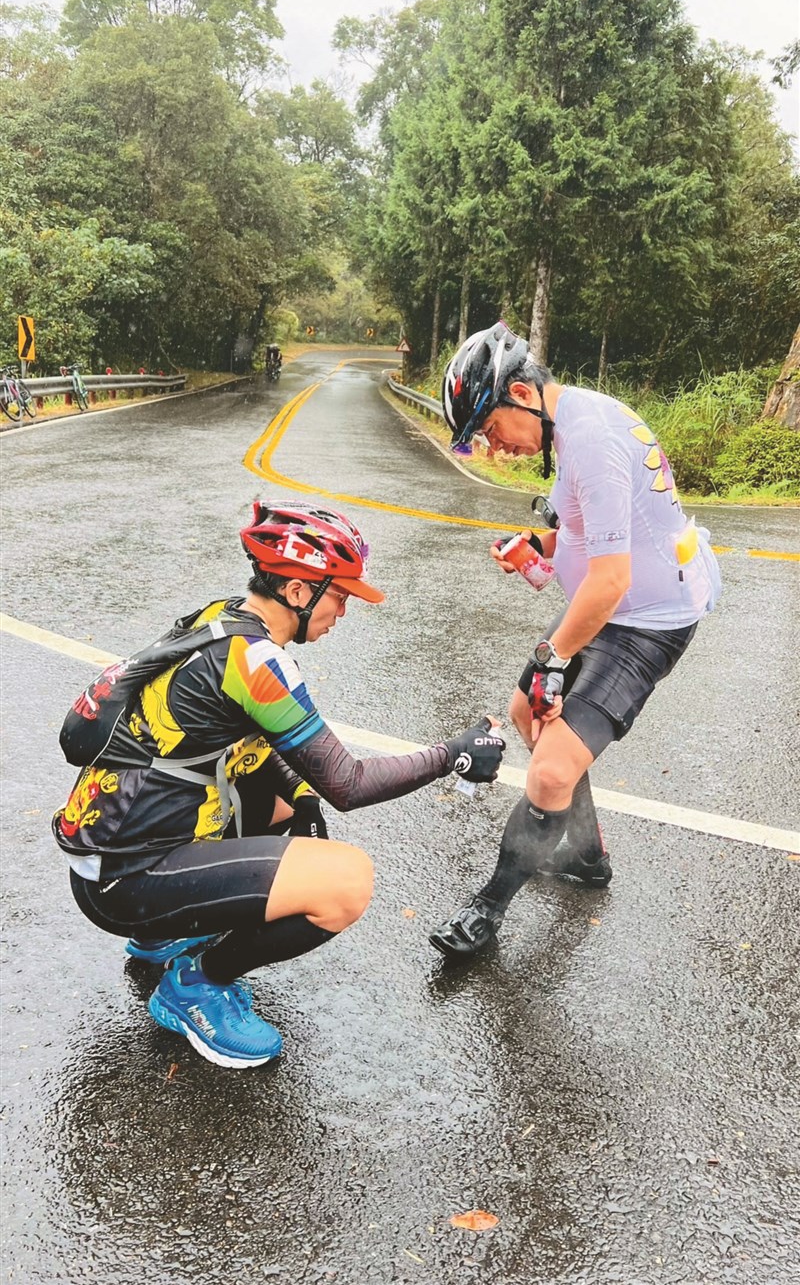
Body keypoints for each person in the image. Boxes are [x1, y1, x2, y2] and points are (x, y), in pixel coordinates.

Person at [54, 501, 505, 1066]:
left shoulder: (221, 619)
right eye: (340, 595)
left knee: (286, 805)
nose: (344, 611)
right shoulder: (259, 662)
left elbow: (256, 744)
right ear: (297, 591)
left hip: (112, 847)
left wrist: (301, 797)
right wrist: (452, 755)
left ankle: (160, 935)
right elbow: (350, 784)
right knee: (346, 883)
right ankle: (195, 985)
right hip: (125, 882)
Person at [430, 322, 721, 957]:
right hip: (613, 602)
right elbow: (587, 532)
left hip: (647, 617)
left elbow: (612, 578)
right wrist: (536, 544)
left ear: (520, 395)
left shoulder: (591, 440)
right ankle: (587, 857)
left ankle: (487, 910)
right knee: (526, 713)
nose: (495, 447)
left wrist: (552, 658)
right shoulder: (573, 422)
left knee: (552, 767)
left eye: (490, 428)